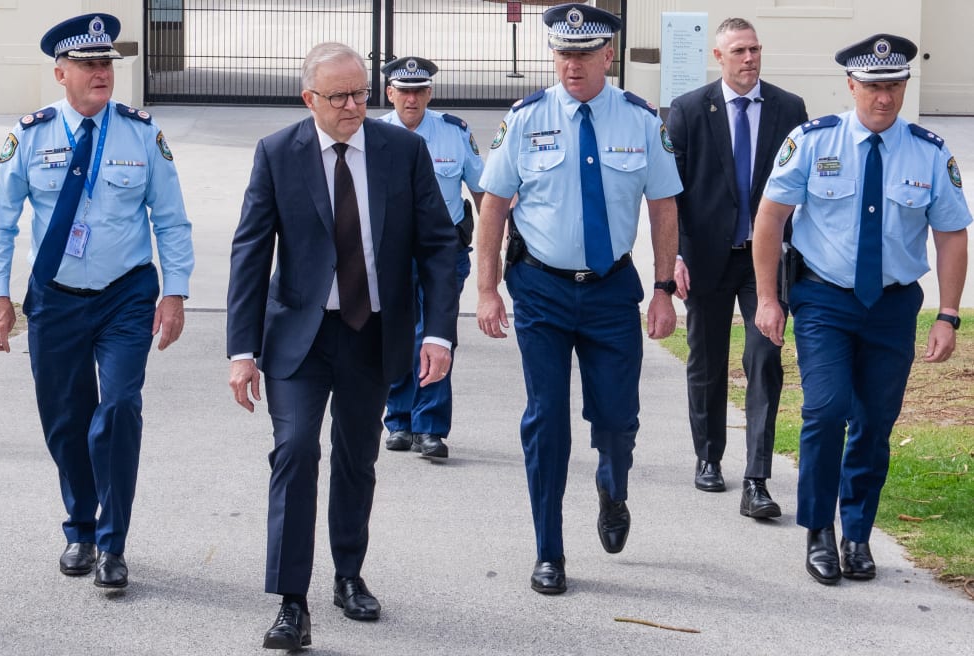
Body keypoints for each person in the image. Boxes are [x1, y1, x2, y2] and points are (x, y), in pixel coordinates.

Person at [226, 42, 458, 650]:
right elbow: (250, 252)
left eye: (360, 92)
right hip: (298, 339)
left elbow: (438, 245)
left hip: (372, 331)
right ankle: (291, 601)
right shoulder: (278, 153)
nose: (355, 105)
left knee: (358, 457)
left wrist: (438, 332)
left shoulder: (402, 152)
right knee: (296, 451)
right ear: (311, 100)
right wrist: (240, 350)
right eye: (339, 96)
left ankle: (348, 575)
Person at [0, 13, 194, 590]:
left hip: (126, 294)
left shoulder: (142, 133)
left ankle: (113, 542)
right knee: (66, 418)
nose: (102, 73)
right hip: (56, 299)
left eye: (108, 64)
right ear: (61, 72)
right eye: (90, 64)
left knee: (119, 408)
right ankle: (81, 527)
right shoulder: (30, 134)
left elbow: (171, 221)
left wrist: (174, 292)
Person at [475, 3, 682, 595]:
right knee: (547, 422)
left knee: (617, 420)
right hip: (540, 287)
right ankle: (549, 550)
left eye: (584, 53)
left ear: (608, 55)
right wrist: (487, 289)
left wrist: (664, 290)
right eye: (563, 53)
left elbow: (664, 206)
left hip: (612, 290)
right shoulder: (524, 118)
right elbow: (493, 206)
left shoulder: (641, 121)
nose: (572, 64)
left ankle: (612, 486)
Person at [752, 33, 969, 585]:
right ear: (851, 85)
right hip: (824, 298)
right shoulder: (812, 141)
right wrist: (769, 299)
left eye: (894, 86)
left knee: (874, 423)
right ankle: (819, 530)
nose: (883, 98)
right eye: (872, 86)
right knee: (825, 411)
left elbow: (950, 235)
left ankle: (857, 534)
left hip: (892, 307)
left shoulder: (929, 151)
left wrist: (948, 313)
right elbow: (770, 219)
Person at [666, 18, 807, 516]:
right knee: (706, 360)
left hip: (763, 262)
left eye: (755, 49)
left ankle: (757, 478)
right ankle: (709, 458)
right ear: (718, 56)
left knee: (764, 360)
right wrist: (674, 257)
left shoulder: (790, 110)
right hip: (705, 257)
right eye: (739, 51)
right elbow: (671, 193)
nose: (750, 58)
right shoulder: (686, 111)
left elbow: (800, 192)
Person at [377, 55, 485, 459]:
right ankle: (400, 419)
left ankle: (431, 427)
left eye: (419, 91)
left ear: (429, 93)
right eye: (403, 91)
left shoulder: (453, 133)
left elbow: (481, 190)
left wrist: (499, 239)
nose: (411, 99)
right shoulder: (372, 134)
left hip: (443, 252)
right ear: (390, 93)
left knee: (437, 334)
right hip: (391, 253)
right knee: (398, 333)